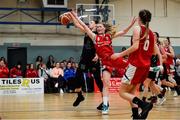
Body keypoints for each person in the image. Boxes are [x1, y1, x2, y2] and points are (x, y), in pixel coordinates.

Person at [69, 11, 136, 114]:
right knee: (105, 84)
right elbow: (81, 25)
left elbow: (123, 32)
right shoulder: (94, 37)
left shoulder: (109, 36)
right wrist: (74, 16)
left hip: (113, 58)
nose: (99, 28)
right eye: (98, 26)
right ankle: (105, 105)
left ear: (104, 28)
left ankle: (148, 70)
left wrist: (131, 25)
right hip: (104, 62)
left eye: (100, 26)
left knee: (132, 65)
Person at [111, 9, 155, 119]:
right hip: (145, 66)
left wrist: (119, 54)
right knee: (131, 92)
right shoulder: (151, 32)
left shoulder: (137, 28)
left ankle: (144, 105)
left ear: (139, 18)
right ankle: (136, 116)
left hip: (136, 65)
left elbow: (135, 47)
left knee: (122, 92)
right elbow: (153, 51)